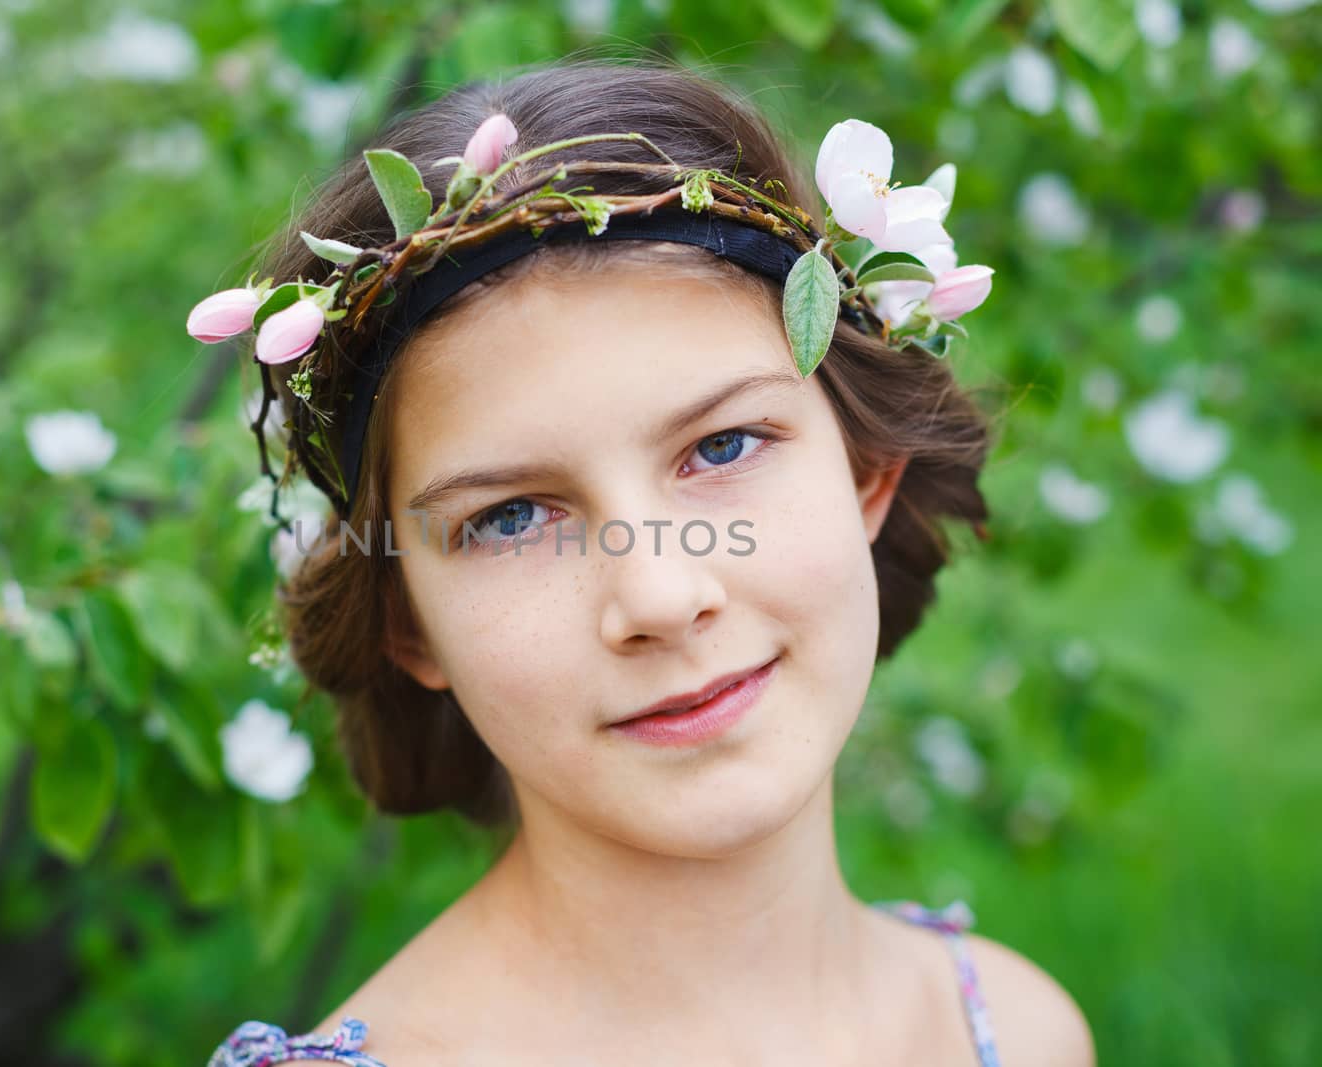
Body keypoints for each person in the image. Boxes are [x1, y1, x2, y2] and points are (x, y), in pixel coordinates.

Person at [190, 54, 1096, 1067]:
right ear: (408, 619)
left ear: (867, 467)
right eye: (511, 516)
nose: (660, 594)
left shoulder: (1023, 1030)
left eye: (722, 446)